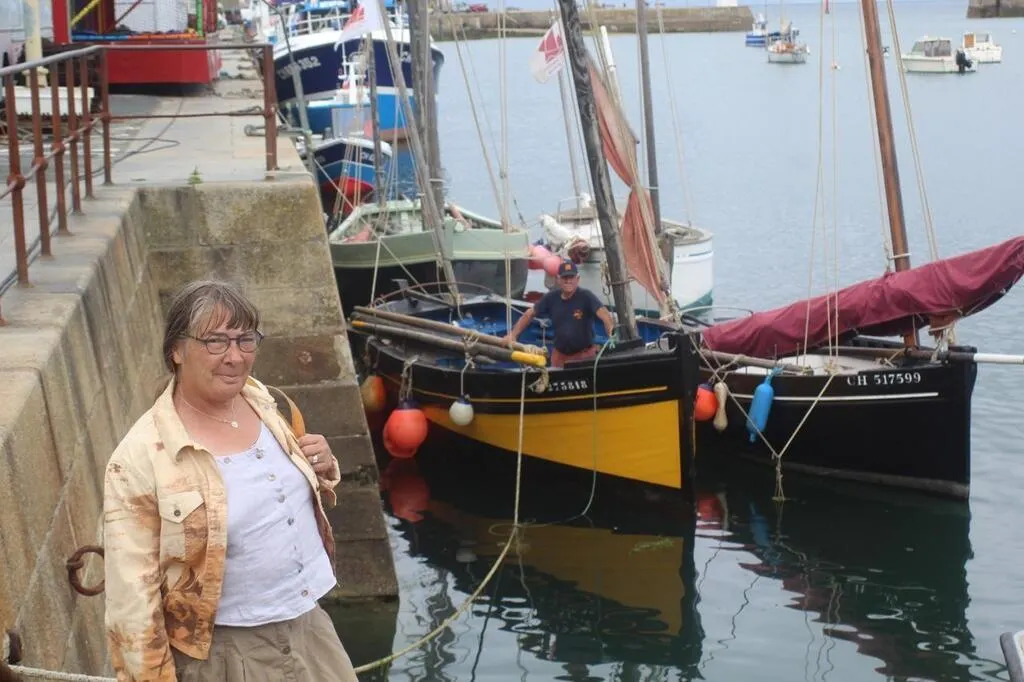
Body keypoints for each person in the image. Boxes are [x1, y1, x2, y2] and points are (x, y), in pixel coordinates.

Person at [103, 280, 358, 682]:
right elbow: (130, 602)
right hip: (224, 656)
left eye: (245, 340)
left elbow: (273, 493)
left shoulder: (266, 402)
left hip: (310, 627)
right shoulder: (138, 459)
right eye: (215, 342)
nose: (235, 357)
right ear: (176, 350)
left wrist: (324, 467)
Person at [504, 259, 616, 368]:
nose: (568, 281)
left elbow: (604, 315)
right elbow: (529, 314)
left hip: (584, 356)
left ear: (577, 278)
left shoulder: (586, 296)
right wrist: (513, 335)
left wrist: (612, 337)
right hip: (559, 357)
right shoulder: (551, 298)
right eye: (565, 277)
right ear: (558, 279)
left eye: (571, 277)